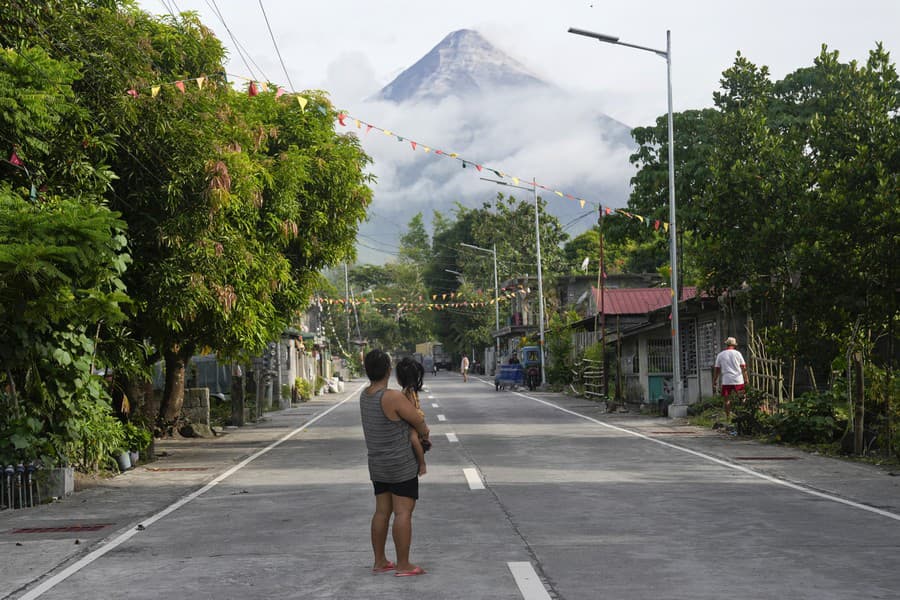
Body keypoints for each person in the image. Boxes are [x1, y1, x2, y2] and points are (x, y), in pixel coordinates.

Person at [360, 349, 430, 577]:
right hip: (400, 465)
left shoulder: (365, 395)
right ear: (388, 370)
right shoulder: (392, 397)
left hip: (378, 465)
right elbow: (417, 420)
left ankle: (380, 561)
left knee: (382, 512)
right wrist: (424, 433)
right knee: (403, 513)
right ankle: (403, 565)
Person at [395, 357, 430, 477]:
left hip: (413, 420)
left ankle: (422, 464)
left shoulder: (408, 391)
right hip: (412, 418)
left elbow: (411, 409)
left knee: (413, 438)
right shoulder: (407, 389)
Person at [712, 336, 750, 420]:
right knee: (742, 398)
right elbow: (743, 367)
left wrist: (714, 380)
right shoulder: (738, 354)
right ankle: (744, 415)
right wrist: (746, 379)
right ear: (734, 345)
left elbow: (717, 369)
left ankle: (728, 417)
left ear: (726, 345)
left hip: (726, 380)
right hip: (738, 380)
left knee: (727, 400)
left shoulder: (720, 355)